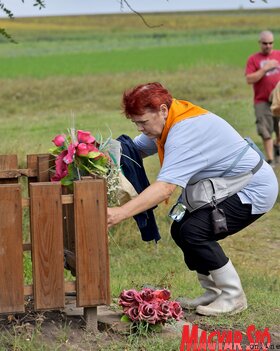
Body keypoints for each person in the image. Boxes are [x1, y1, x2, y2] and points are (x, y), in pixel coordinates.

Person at [107, 82, 278, 316]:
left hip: (253, 188)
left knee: (195, 231)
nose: (139, 129)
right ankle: (213, 292)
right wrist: (95, 153)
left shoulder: (185, 131)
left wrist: (120, 213)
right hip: (228, 185)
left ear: (163, 110)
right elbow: (132, 150)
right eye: (135, 123)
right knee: (180, 228)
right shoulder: (172, 119)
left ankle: (233, 295)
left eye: (143, 122)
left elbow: (165, 188)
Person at [245, 30, 280, 165]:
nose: (268, 46)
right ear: (260, 43)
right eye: (265, 43)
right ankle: (270, 160)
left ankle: (277, 145)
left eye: (270, 43)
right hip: (262, 100)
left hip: (278, 99)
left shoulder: (278, 55)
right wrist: (265, 69)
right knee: (265, 130)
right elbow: (249, 79)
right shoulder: (254, 59)